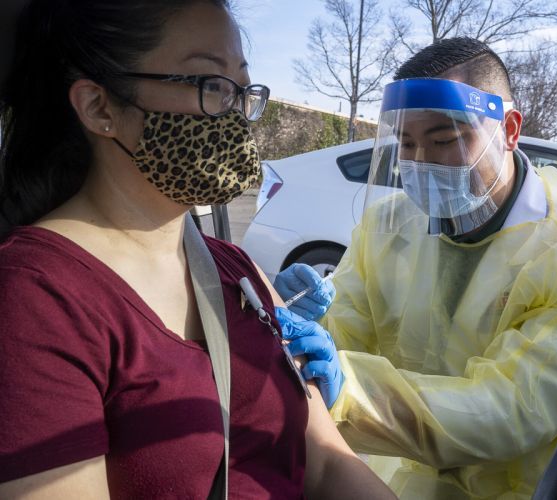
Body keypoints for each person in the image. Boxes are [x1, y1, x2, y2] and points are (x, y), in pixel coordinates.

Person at [0, 1, 395, 498]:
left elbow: (328, 463)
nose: (234, 114)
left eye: (241, 89)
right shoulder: (36, 299)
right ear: (100, 107)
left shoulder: (237, 269)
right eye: (210, 85)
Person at [280, 38, 557, 498]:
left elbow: (512, 408)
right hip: (404, 476)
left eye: (445, 139)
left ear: (509, 130)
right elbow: (348, 331)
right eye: (405, 143)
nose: (420, 163)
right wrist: (310, 325)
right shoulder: (392, 224)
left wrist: (350, 392)